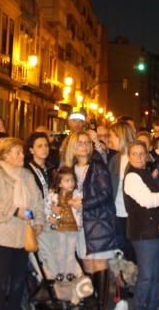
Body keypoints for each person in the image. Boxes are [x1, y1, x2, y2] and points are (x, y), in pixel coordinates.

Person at [0, 136, 44, 310]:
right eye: (18, 152)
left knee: (18, 279)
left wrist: (38, 222)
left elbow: (38, 201)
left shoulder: (27, 175)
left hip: (22, 236)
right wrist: (15, 211)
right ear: (5, 155)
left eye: (22, 152)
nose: (22, 155)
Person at [64, 131, 121, 308]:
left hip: (98, 222)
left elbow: (106, 194)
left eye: (87, 142)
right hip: (78, 223)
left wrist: (84, 203)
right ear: (72, 146)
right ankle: (91, 301)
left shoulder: (98, 166)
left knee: (99, 263)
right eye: (79, 142)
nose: (84, 146)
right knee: (86, 264)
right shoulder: (68, 169)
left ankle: (100, 305)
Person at [123, 141, 159, 310]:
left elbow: (155, 194)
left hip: (156, 231)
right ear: (129, 157)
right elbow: (146, 200)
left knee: (156, 275)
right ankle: (140, 307)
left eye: (141, 153)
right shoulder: (132, 176)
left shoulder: (144, 172)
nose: (138, 157)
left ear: (146, 155)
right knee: (147, 276)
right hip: (143, 233)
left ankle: (152, 306)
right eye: (134, 154)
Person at [41, 167, 83, 304]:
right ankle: (61, 275)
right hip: (58, 227)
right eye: (67, 181)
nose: (70, 183)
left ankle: (69, 274)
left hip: (72, 227)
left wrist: (76, 206)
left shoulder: (77, 194)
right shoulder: (53, 196)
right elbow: (47, 212)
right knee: (60, 251)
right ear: (59, 183)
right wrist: (53, 213)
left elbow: (81, 208)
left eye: (72, 180)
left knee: (70, 252)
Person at [108, 121, 137, 261]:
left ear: (121, 136)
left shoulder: (137, 157)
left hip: (133, 214)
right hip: (117, 212)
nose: (109, 140)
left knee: (132, 252)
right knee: (121, 251)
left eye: (112, 136)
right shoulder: (115, 159)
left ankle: (132, 280)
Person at [25, 132, 52, 198]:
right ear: (31, 150)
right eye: (39, 146)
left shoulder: (52, 169)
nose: (44, 149)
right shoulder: (26, 170)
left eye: (46, 145)